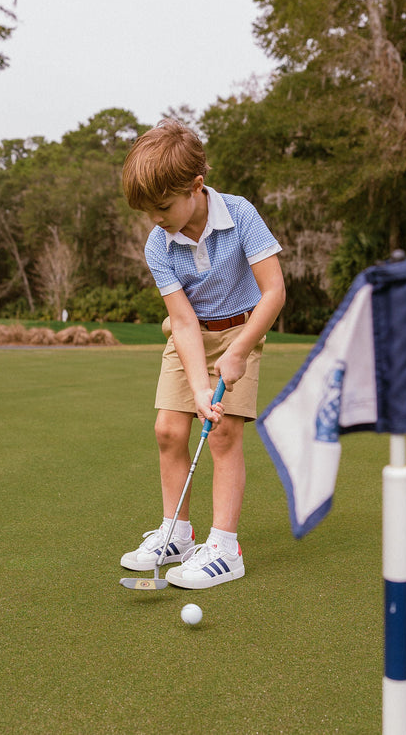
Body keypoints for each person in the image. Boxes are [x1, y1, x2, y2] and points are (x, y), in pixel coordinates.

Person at [120, 118, 285, 589]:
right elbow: (184, 321)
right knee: (169, 430)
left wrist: (238, 352)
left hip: (243, 331)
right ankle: (177, 533)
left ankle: (225, 548)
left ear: (195, 186)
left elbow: (273, 291)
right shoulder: (159, 243)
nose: (155, 217)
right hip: (189, 335)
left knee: (223, 434)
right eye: (147, 210)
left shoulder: (240, 214)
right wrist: (196, 386)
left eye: (162, 206)